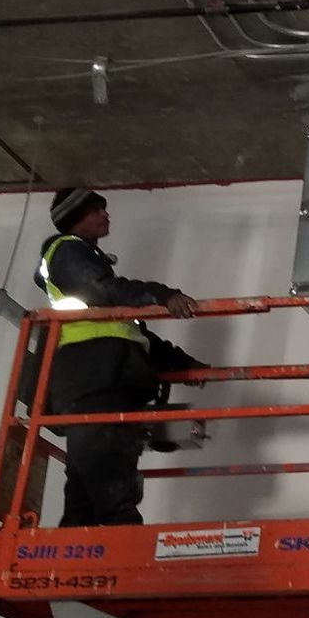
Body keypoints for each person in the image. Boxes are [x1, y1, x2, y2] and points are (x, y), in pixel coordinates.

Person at [33, 188, 206, 527]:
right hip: (93, 380)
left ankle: (73, 558)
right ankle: (124, 542)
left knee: (86, 484)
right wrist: (161, 294)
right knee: (107, 474)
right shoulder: (66, 250)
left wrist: (184, 364)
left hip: (99, 380)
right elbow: (101, 291)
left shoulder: (93, 278)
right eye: (96, 210)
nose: (105, 215)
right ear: (74, 219)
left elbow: (131, 331)